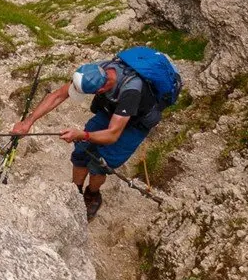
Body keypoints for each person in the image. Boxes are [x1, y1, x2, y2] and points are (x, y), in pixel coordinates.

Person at [11, 59, 165, 220]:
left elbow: (112, 135)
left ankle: (92, 194)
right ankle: (75, 191)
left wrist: (83, 135)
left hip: (135, 124)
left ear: (101, 90)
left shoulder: (131, 91)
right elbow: (58, 95)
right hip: (111, 111)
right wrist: (28, 122)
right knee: (81, 152)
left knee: (100, 163)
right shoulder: (93, 72)